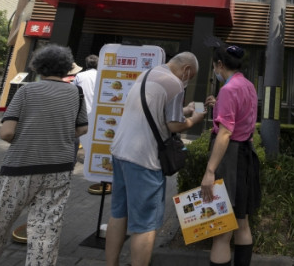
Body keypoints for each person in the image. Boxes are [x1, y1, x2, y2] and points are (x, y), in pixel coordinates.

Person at [0, 44, 89, 265]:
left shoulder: (26, 91)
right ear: (66, 68)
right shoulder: (76, 92)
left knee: (0, 223)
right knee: (46, 229)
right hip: (59, 169)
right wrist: (61, 135)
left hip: (20, 166)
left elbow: (7, 132)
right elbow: (82, 128)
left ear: (38, 66)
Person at [104, 52, 208, 266]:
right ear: (187, 70)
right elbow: (174, 125)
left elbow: (155, 110)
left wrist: (184, 110)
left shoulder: (147, 73)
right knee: (145, 225)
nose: (189, 80)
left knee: (118, 214)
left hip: (120, 152)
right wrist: (193, 119)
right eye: (191, 75)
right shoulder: (175, 84)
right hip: (144, 160)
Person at [201, 45, 260, 266]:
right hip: (246, 156)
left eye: (215, 65)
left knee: (222, 231)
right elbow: (243, 118)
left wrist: (209, 171)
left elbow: (225, 133)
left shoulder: (227, 89)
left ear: (220, 65)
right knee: (242, 224)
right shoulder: (248, 85)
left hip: (230, 160)